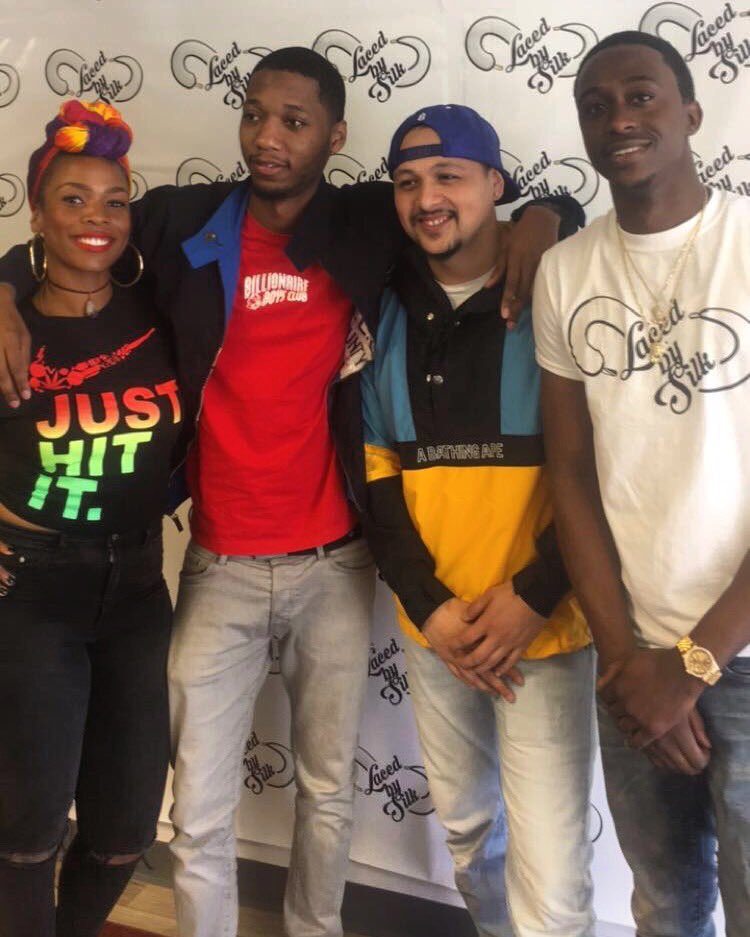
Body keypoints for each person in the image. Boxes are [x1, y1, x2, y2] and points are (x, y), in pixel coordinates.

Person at [0, 49, 582, 937]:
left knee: (327, 790)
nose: (267, 138)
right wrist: (3, 285)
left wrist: (543, 218)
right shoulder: (182, 219)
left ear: (335, 137)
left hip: (335, 563)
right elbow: (79, 227)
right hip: (217, 562)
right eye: (255, 114)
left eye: (295, 122)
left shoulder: (370, 220)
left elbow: (492, 212)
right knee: (196, 807)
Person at [533, 30, 750, 937]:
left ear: (691, 113)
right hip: (630, 655)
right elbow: (571, 474)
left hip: (740, 654)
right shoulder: (564, 270)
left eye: (640, 95)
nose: (618, 117)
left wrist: (693, 665)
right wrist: (628, 661)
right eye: (595, 105)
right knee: (665, 905)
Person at [361, 104, 595, 937]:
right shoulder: (384, 303)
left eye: (448, 176)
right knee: (469, 837)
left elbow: (606, 469)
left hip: (543, 629)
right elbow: (378, 475)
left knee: (554, 871)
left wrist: (533, 595)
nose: (427, 198)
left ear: (496, 184)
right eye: (407, 182)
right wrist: (430, 608)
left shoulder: (563, 284)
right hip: (439, 633)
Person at [0, 100, 182, 937]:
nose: (95, 218)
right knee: (28, 829)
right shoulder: (10, 326)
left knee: (124, 830)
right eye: (72, 199)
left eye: (114, 200)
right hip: (32, 591)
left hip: (138, 588)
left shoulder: (162, 308)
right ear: (37, 213)